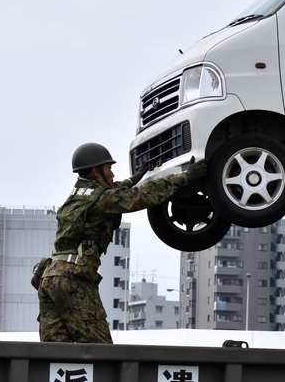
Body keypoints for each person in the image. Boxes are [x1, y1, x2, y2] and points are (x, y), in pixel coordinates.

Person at [37, 143, 206, 342]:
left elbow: (110, 191)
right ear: (95, 171)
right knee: (99, 349)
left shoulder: (78, 194)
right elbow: (142, 196)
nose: (112, 174)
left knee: (53, 352)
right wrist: (185, 177)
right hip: (72, 280)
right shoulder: (102, 200)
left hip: (50, 277)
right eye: (109, 169)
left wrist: (132, 180)